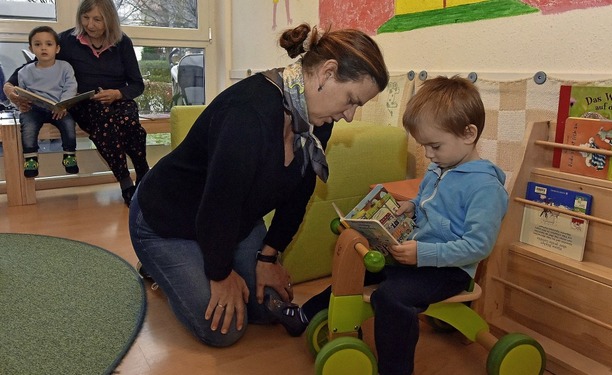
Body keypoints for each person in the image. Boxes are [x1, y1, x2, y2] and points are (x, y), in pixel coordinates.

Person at [128, 23, 389, 348]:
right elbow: (217, 205)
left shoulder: (315, 120)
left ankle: (197, 263)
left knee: (267, 309)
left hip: (231, 219)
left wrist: (268, 258)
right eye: (351, 100)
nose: (349, 116)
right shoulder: (247, 115)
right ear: (327, 72)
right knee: (223, 330)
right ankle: (159, 265)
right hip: (167, 220)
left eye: (357, 106)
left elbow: (299, 195)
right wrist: (220, 274)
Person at [279, 76, 510, 375]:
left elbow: (478, 246)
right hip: (418, 256)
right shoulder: (442, 166)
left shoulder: (484, 188)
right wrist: (411, 206)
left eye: (435, 145)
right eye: (424, 145)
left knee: (389, 296)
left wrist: (422, 254)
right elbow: (430, 201)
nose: (428, 155)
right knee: (356, 268)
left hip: (449, 270)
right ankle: (306, 314)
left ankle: (396, 369)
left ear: (469, 134)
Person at [3, 0, 148, 205]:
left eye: (97, 19)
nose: (90, 25)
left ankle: (143, 173)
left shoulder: (122, 42)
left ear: (110, 20)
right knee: (104, 124)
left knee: (130, 121)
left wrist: (117, 93)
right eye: (85, 18)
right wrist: (9, 89)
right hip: (84, 103)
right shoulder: (67, 41)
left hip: (117, 99)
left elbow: (137, 85)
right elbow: (32, 66)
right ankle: (126, 183)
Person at [16, 26, 79, 178]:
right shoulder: (24, 71)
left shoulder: (65, 67)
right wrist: (21, 102)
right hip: (34, 109)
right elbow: (21, 93)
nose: (43, 48)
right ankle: (31, 159)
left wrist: (63, 105)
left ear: (57, 49)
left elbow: (71, 87)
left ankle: (69, 156)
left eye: (48, 44)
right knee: (28, 126)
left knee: (69, 123)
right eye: (38, 44)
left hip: (58, 108)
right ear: (31, 48)